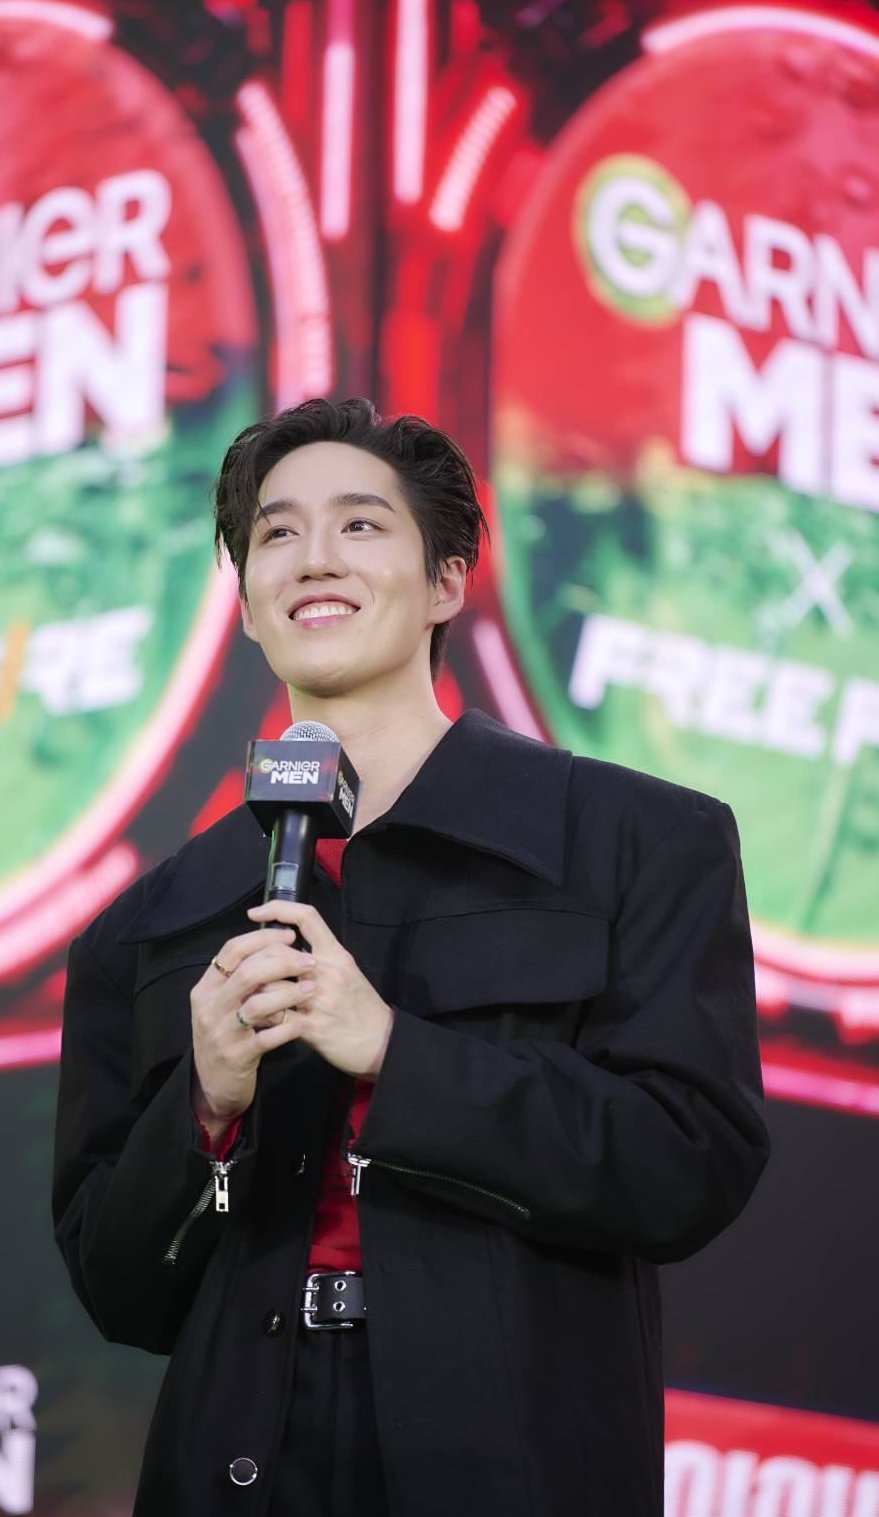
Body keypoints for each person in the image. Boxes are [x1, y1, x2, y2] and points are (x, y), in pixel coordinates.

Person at [52, 397, 771, 1517]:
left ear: (445, 581)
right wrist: (205, 1105)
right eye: (277, 534)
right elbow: (119, 1288)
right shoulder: (147, 925)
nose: (313, 558)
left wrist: (396, 1052)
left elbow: (687, 1163)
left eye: (358, 524)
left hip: (511, 1465)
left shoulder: (635, 841)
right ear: (246, 604)